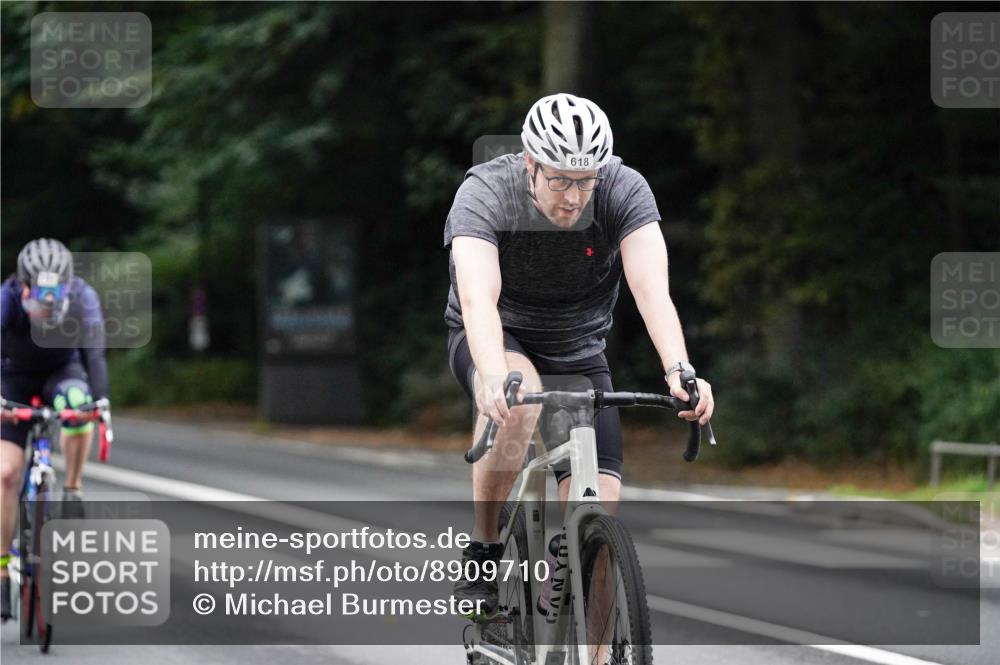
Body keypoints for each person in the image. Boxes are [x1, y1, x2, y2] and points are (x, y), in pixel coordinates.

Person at [444, 93, 714, 617]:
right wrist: (494, 375)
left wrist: (680, 369)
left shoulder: (622, 190)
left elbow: (651, 289)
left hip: (579, 348)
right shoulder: (486, 192)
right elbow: (479, 298)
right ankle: (484, 547)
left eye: (585, 179)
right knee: (519, 404)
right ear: (530, 164)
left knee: (598, 519)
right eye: (560, 180)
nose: (574, 196)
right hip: (501, 336)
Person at [0, 238, 111, 621]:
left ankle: (73, 487)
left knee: (80, 407)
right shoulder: (7, 298)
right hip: (12, 378)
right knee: (6, 474)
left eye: (55, 291)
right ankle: (1, 569)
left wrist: (100, 402)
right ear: (24, 284)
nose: (46, 302)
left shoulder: (82, 297)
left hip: (63, 374)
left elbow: (94, 352)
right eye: (39, 292)